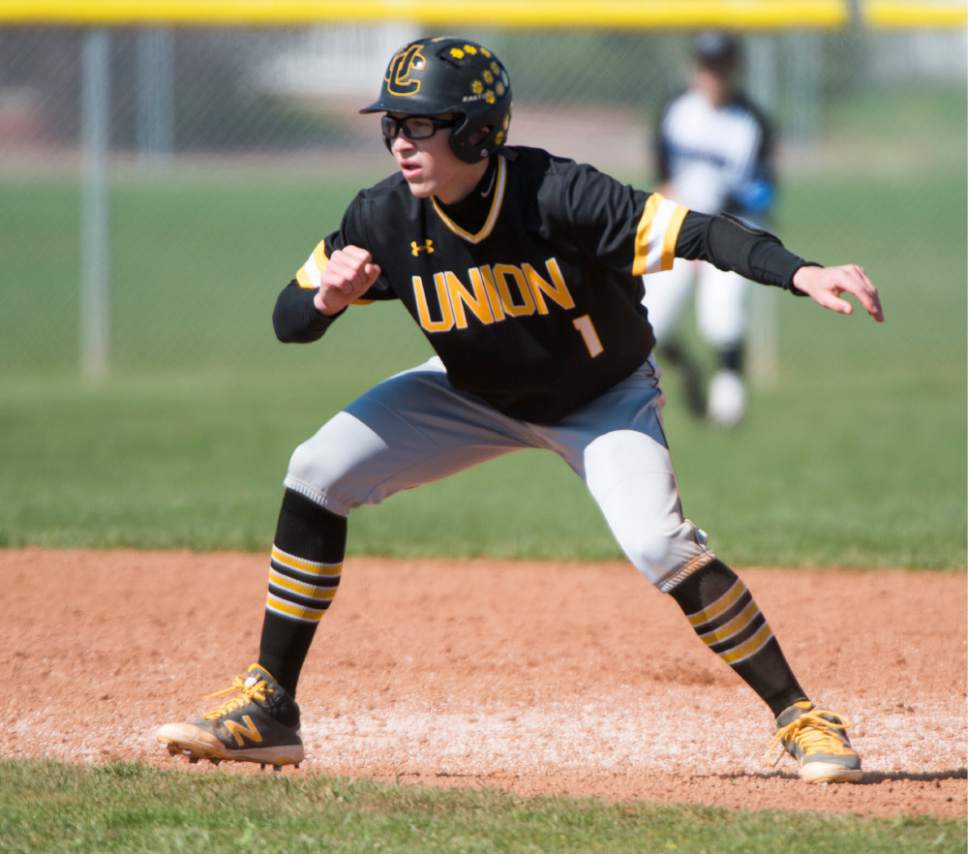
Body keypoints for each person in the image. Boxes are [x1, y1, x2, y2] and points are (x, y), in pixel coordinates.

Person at [156, 36, 883, 783]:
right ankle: (271, 708)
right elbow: (288, 320)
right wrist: (326, 298)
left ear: (476, 130)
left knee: (662, 547)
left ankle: (801, 716)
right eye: (392, 126)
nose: (400, 141)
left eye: (420, 124)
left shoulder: (558, 194)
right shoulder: (384, 216)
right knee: (316, 470)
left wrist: (800, 272)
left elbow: (700, 232)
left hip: (601, 398)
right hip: (471, 391)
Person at [644, 31, 777, 426]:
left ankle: (728, 398)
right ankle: (686, 369)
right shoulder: (676, 109)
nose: (712, 76)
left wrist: (713, 241)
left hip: (732, 231)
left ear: (734, 70)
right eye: (706, 67)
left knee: (720, 316)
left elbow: (759, 192)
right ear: (694, 68)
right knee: (649, 322)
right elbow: (664, 173)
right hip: (677, 225)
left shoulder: (751, 122)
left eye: (720, 68)